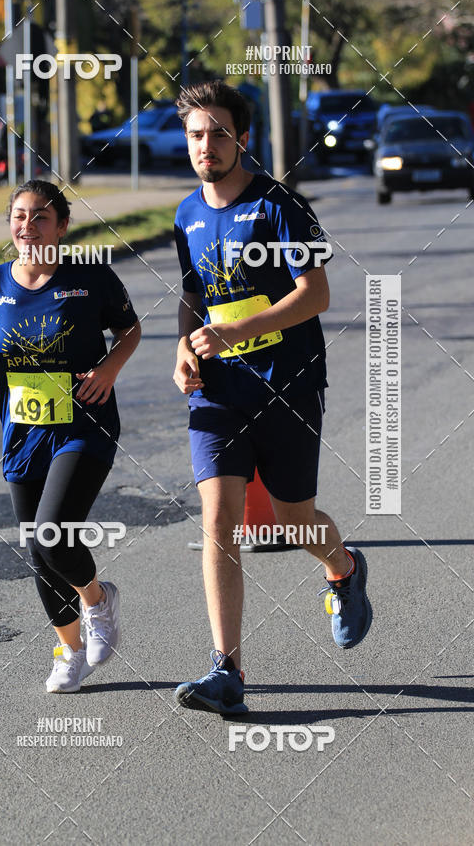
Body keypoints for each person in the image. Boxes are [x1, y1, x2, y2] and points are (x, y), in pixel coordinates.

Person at [171, 81, 371, 715]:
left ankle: (342, 567)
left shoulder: (281, 205)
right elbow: (193, 295)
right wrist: (184, 348)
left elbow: (316, 294)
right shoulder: (185, 215)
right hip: (219, 390)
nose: (207, 145)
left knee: (292, 518)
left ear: (242, 138)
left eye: (219, 133)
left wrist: (237, 330)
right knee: (219, 520)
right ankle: (225, 668)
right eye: (197, 134)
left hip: (286, 383)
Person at [0, 180, 141, 693]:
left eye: (40, 217)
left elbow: (130, 330)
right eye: (19, 216)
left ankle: (97, 601)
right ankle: (69, 651)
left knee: (52, 531)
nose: (27, 227)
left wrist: (109, 369)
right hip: (24, 433)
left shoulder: (92, 277)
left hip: (84, 423)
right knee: (38, 550)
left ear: (62, 226)